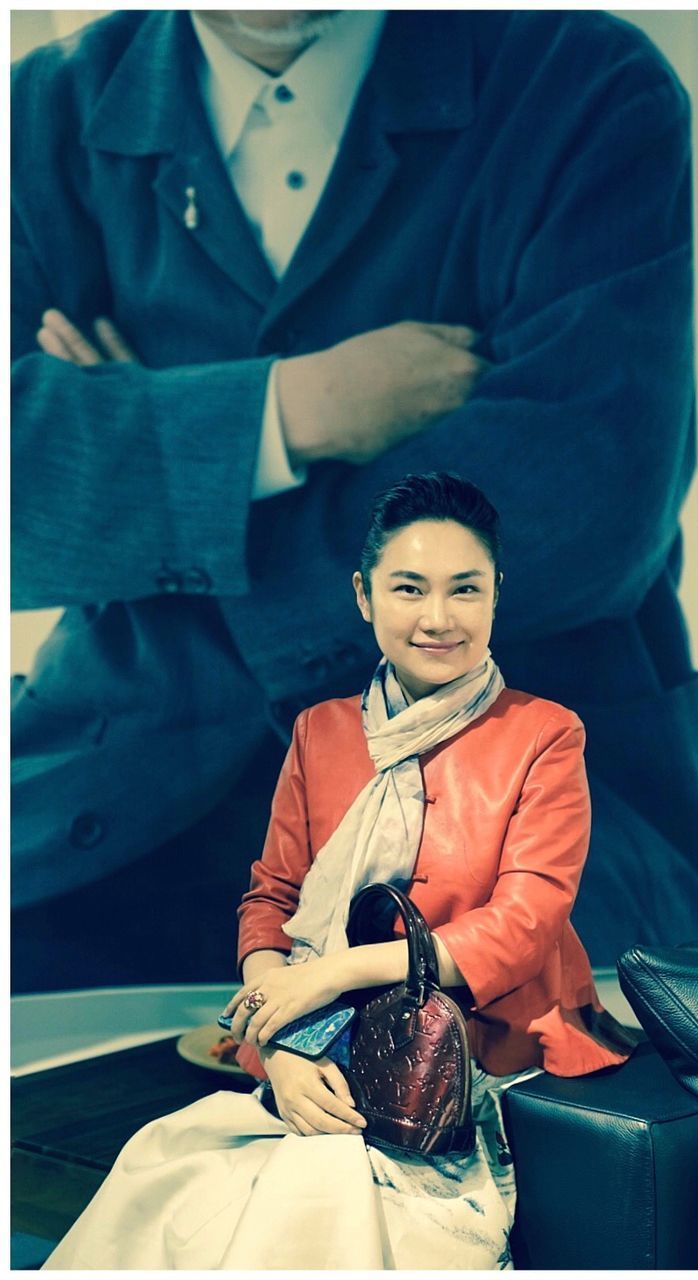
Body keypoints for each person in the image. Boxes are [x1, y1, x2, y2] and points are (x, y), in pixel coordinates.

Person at [11, 9, 698, 989]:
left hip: (501, 808)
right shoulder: (40, 112)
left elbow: (584, 506)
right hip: (116, 799)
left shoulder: (585, 81)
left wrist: (148, 460)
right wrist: (300, 409)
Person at [42, 472, 641, 1270]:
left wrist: (331, 977)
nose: (437, 618)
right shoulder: (319, 732)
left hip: (481, 1049)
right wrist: (282, 1045)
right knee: (166, 1179)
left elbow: (524, 927)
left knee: (311, 1212)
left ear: (496, 594)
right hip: (322, 1044)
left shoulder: (543, 733)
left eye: (464, 589)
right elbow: (271, 902)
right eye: (408, 588)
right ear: (363, 596)